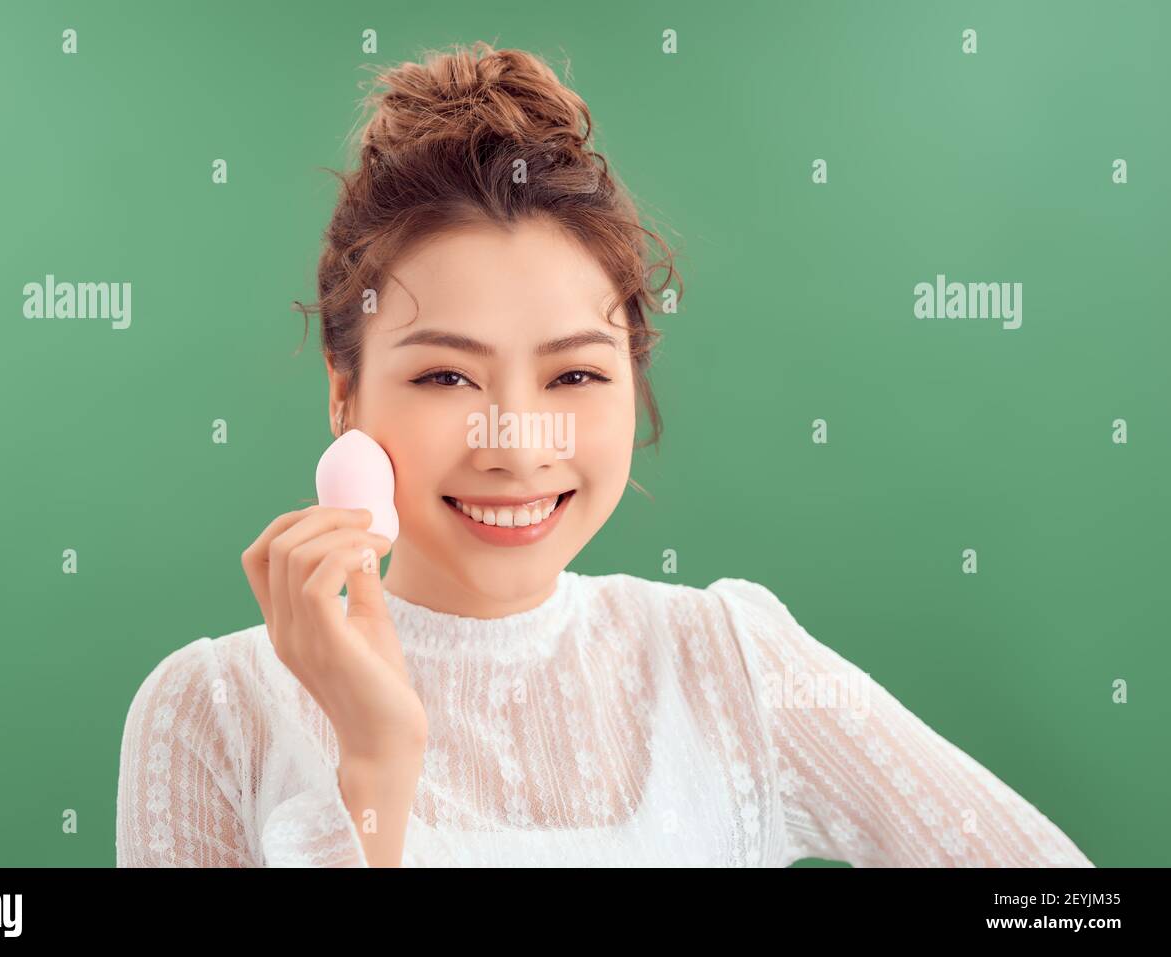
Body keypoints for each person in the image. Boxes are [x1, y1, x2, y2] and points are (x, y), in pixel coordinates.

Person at [115, 42, 1093, 868]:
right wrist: (372, 770)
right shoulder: (214, 708)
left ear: (633, 386)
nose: (515, 445)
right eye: (447, 379)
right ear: (345, 397)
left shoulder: (726, 661)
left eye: (574, 377)